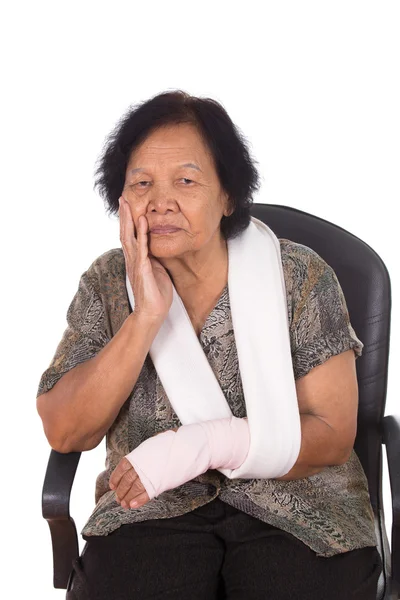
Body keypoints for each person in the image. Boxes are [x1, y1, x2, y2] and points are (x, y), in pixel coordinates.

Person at [36, 90, 382, 600]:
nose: (161, 201)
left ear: (227, 196)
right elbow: (65, 431)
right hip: (151, 506)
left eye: (187, 181)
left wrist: (202, 446)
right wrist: (146, 317)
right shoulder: (109, 283)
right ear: (121, 200)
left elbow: (333, 435)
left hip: (302, 506)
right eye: (142, 183)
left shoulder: (301, 277)